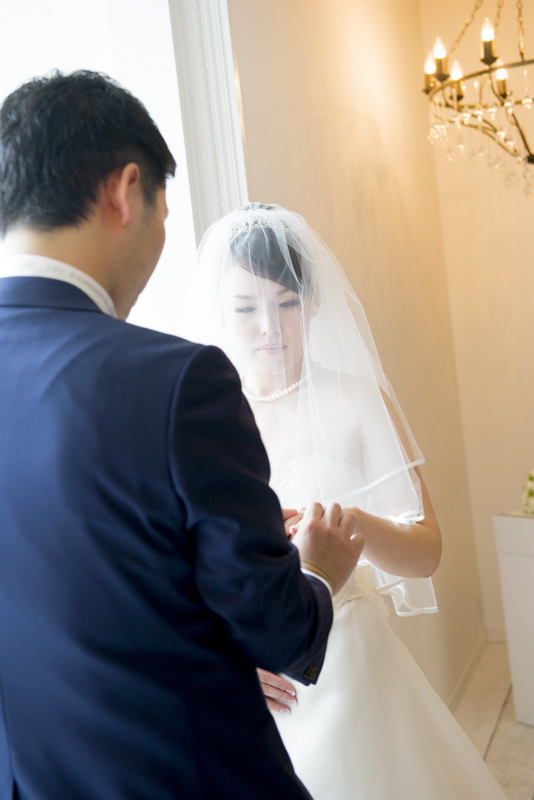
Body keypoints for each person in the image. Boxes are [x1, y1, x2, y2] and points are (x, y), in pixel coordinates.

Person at [0, 73, 365, 800]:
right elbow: (276, 628)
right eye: (164, 215)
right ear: (125, 191)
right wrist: (319, 570)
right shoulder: (178, 381)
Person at [187, 202, 508, 800]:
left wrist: (352, 526)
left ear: (313, 303)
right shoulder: (200, 426)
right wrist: (227, 660)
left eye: (287, 303)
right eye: (246, 308)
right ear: (219, 310)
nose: (270, 327)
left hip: (352, 663)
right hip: (257, 685)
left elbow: (427, 554)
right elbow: (177, 571)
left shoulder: (358, 401)